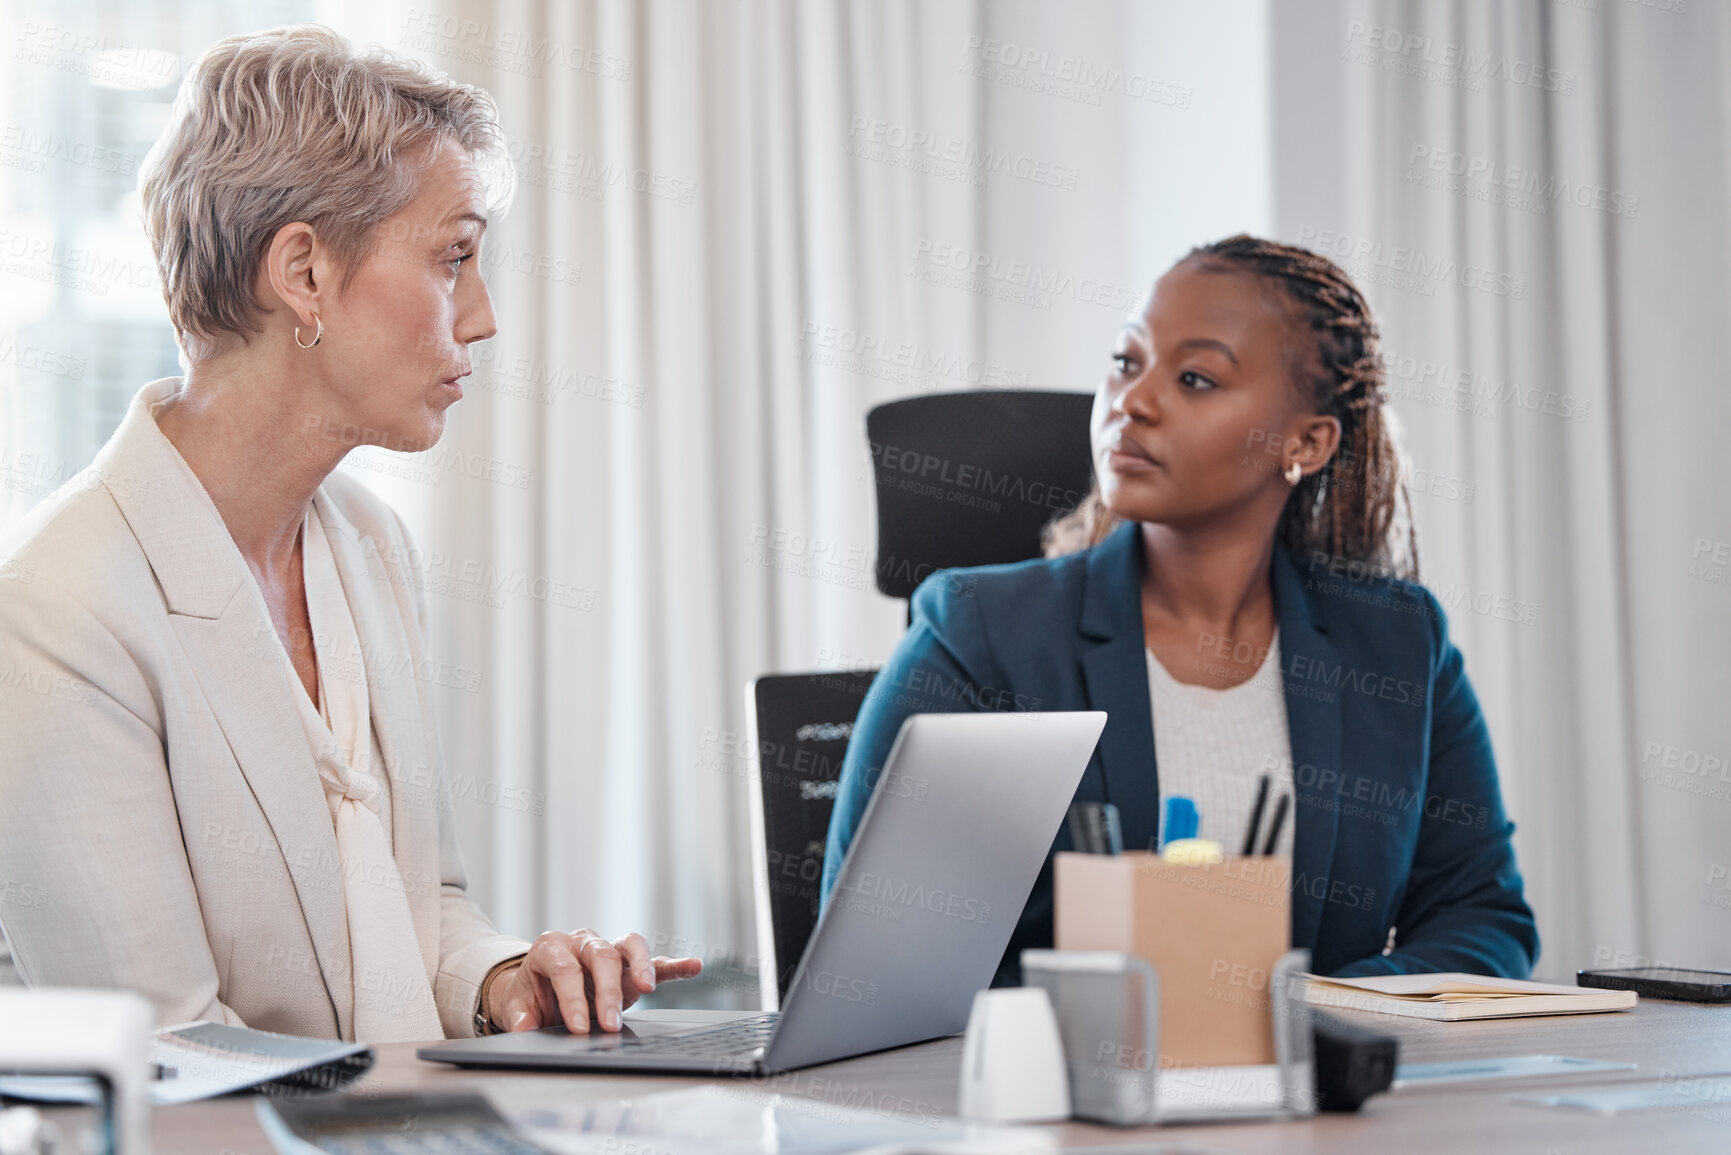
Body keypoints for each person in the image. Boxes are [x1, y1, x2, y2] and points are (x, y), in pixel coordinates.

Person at [0, 26, 700, 1042]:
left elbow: (426, 903)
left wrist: (505, 983)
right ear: (305, 274)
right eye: (453, 260)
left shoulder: (368, 544)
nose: (483, 316)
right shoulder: (54, 612)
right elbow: (170, 1061)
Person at [822, 236, 1539, 986]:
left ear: (1306, 440)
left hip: (1311, 1098)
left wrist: (1315, 1021)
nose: (1132, 400)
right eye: (1125, 362)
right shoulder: (976, 634)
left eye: (1195, 377)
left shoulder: (1396, 645)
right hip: (1051, 1094)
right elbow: (880, 966)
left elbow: (1480, 915)